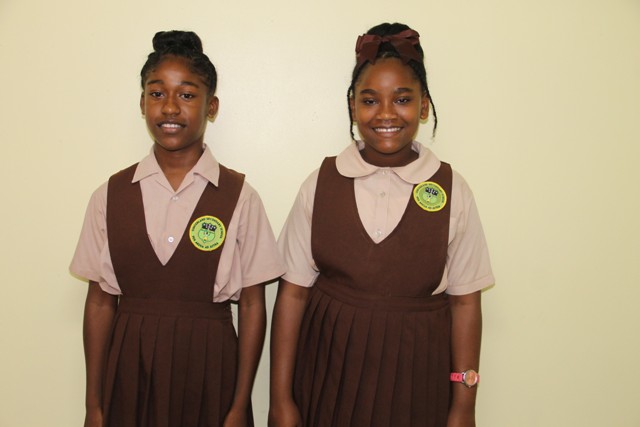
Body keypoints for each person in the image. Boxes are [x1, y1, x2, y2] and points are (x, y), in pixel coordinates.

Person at [269, 23, 494, 427]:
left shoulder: (453, 190)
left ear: (424, 106)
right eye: (370, 100)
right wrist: (280, 400)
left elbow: (465, 304)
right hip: (326, 385)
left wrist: (464, 405)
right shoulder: (320, 184)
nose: (386, 114)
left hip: (417, 389)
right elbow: (292, 297)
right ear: (352, 107)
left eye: (403, 99)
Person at [70, 30, 285, 427]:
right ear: (141, 103)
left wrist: (239, 406)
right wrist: (94, 406)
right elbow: (100, 303)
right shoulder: (111, 195)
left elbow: (254, 305)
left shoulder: (239, 196)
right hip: (129, 371)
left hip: (209, 370)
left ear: (211, 106)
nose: (170, 107)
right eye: (157, 93)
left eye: (186, 95)